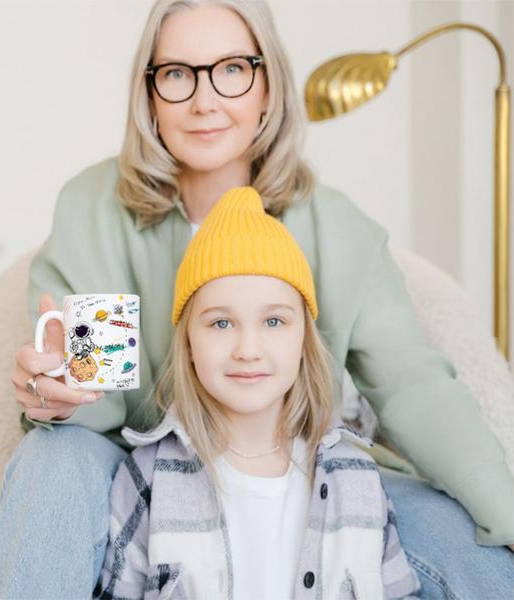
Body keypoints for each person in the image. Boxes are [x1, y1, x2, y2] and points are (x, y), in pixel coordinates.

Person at [0, 1, 514, 598]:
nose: (205, 100)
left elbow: (415, 387)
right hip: (139, 478)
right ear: (149, 93)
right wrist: (61, 394)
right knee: (55, 456)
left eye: (232, 69)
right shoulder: (99, 208)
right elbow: (102, 399)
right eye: (176, 73)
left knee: (468, 537)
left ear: (268, 86)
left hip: (303, 473)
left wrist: (503, 509)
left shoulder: (337, 228)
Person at [94, 185, 421, 599]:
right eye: (221, 323)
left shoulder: (358, 478)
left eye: (273, 322)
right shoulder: (146, 478)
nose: (248, 350)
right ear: (189, 345)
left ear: (304, 339)